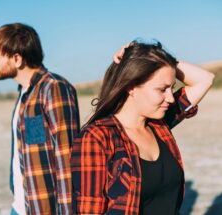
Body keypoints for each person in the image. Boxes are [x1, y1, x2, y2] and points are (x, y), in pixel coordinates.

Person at [71, 40, 214, 214]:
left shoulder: (159, 125)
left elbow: (205, 79)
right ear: (131, 87)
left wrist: (157, 58)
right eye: (162, 89)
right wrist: (140, 61)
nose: (170, 98)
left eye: (172, 88)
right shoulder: (97, 138)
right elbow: (89, 211)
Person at [0, 23, 80, 215]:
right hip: (21, 207)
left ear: (17, 59)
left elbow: (66, 158)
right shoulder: (25, 93)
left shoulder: (53, 88)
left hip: (44, 209)